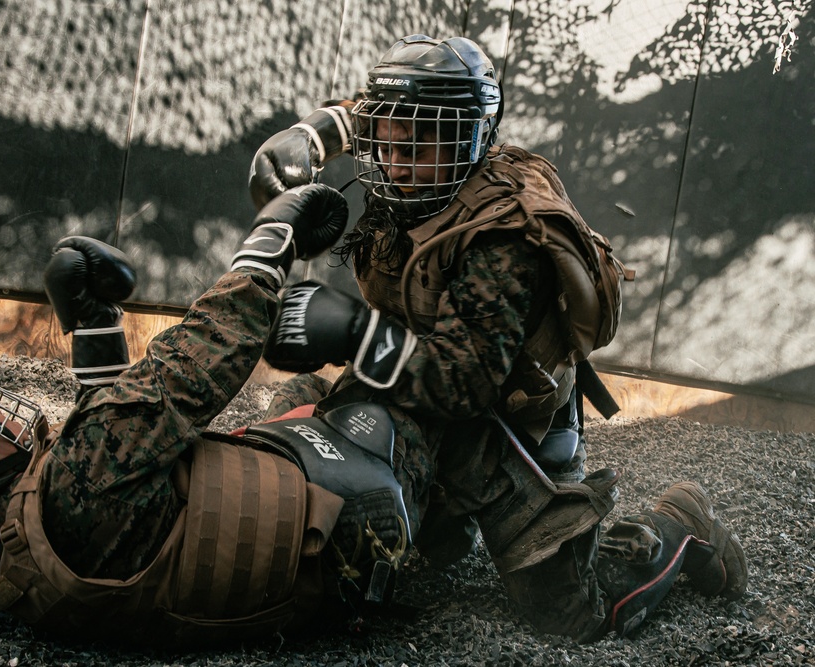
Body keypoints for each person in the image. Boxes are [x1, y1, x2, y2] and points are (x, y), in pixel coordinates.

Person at [247, 34, 748, 641]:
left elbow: (464, 384)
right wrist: (311, 135)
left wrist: (352, 331)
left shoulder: (501, 235)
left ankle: (676, 522)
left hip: (499, 420)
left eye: (418, 146)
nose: (396, 163)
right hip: (407, 382)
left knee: (574, 614)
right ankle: (436, 518)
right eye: (388, 143)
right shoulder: (412, 167)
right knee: (338, 502)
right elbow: (375, 113)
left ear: (469, 136)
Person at [0, 184, 427, 647]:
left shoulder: (16, 559)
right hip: (363, 520)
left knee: (295, 390)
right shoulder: (81, 482)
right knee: (406, 373)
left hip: (314, 567)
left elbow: (126, 453)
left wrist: (95, 327)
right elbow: (200, 358)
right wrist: (274, 235)